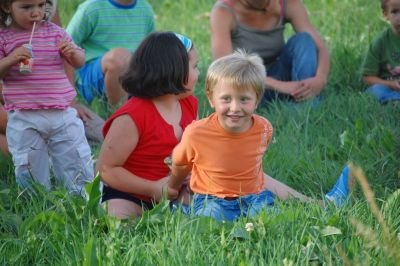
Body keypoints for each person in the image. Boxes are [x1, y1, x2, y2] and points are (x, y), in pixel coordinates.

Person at [168, 51, 353, 222]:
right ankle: (186, 210)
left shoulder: (263, 128)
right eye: (226, 99)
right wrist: (173, 188)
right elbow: (180, 163)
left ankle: (321, 207)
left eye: (244, 99)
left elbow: (251, 166)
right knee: (210, 220)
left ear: (257, 100)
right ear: (211, 98)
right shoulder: (197, 133)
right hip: (213, 198)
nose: (235, 108)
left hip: (252, 195)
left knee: (271, 219)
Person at [96, 32, 200, 219]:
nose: (199, 73)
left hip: (174, 190)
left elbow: (196, 149)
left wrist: (192, 172)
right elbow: (105, 169)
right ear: (174, 71)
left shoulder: (189, 104)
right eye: (195, 67)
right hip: (130, 192)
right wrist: (152, 188)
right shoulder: (132, 116)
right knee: (118, 218)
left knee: (208, 206)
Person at [0, 0, 94, 196]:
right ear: (7, 6)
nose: (36, 13)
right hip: (24, 116)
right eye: (27, 7)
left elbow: (79, 61)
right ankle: (36, 201)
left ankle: (80, 199)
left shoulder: (55, 32)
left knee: (73, 157)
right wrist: (11, 59)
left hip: (61, 112)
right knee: (30, 163)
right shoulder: (4, 37)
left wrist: (72, 53)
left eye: (41, 6)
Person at [209, 0, 330, 103]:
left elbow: (320, 48)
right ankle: (303, 106)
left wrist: (320, 78)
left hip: (277, 73)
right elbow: (224, 71)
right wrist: (281, 86)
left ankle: (306, 97)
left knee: (304, 40)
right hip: (246, 87)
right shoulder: (223, 11)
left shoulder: (286, 3)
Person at [66, 0, 155, 106]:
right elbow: (65, 47)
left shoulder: (145, 9)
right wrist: (69, 97)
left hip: (133, 74)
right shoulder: (92, 8)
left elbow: (151, 52)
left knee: (172, 53)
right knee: (119, 58)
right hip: (92, 77)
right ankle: (120, 114)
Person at [361, 0, 400, 103]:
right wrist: (390, 84)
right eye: (395, 12)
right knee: (376, 90)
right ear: (385, 14)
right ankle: (393, 101)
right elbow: (367, 78)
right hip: (388, 87)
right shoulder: (380, 42)